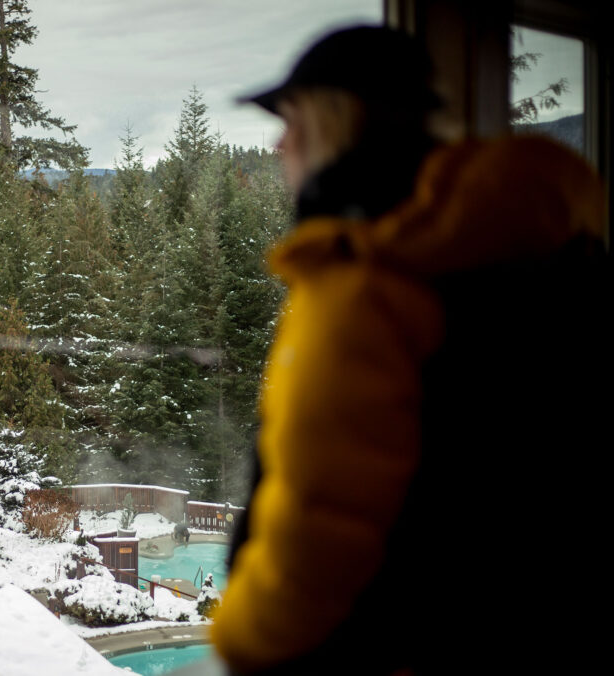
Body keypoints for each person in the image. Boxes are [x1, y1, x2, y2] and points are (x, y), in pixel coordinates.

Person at [210, 25, 609, 675]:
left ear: (333, 121)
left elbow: (322, 519)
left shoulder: (367, 282)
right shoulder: (533, 249)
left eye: (290, 118)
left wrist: (244, 642)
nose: (279, 143)